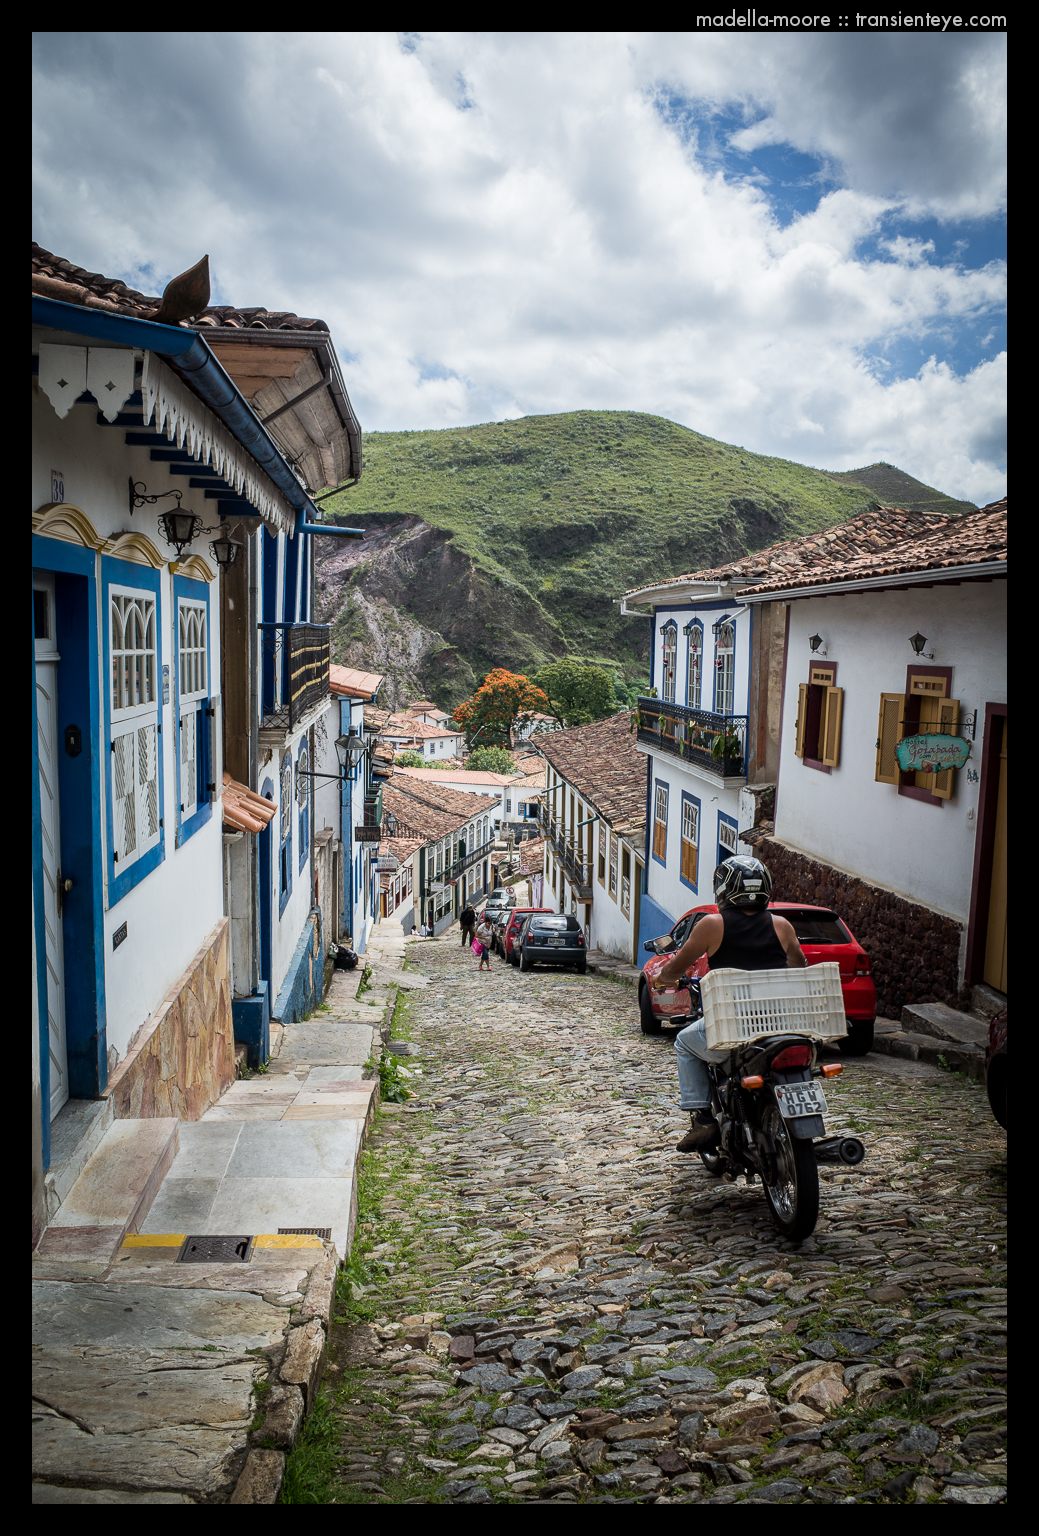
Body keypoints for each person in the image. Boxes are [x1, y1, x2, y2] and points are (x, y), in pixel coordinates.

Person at [653, 856, 806, 1152]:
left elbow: (678, 965)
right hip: (778, 1023)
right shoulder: (782, 925)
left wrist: (662, 979)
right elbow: (798, 964)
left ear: (723, 889)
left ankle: (704, 1119)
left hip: (735, 1022)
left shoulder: (712, 925)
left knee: (685, 1042)